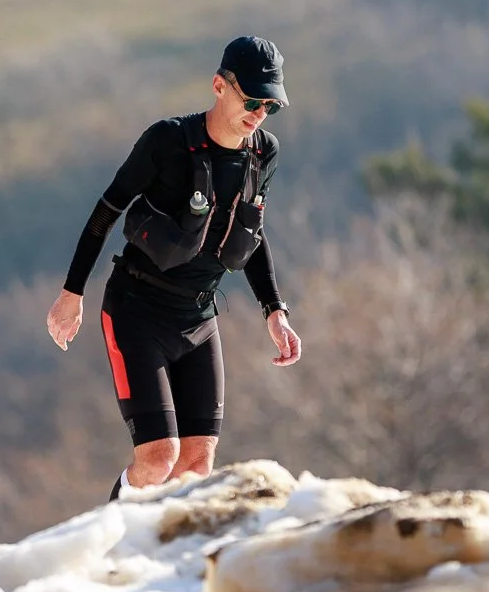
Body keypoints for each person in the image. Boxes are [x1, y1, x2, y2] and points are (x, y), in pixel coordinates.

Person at [46, 35, 303, 502]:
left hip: (199, 319)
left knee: (198, 465)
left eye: (270, 106)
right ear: (219, 86)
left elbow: (251, 230)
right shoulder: (167, 141)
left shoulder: (263, 153)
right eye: (252, 100)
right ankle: (110, 529)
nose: (259, 114)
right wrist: (72, 293)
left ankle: (165, 548)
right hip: (137, 312)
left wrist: (275, 311)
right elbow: (107, 211)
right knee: (159, 458)